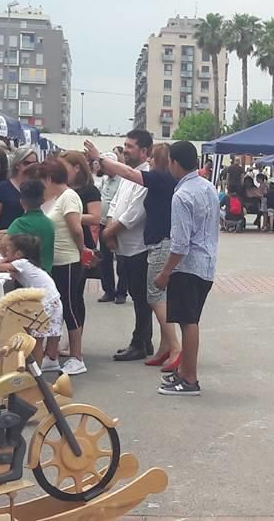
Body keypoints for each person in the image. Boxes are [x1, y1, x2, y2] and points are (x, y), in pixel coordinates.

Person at [98, 142, 182, 372]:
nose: (150, 162)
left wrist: (101, 158)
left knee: (154, 296)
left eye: (154, 157)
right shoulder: (164, 180)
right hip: (155, 242)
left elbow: (126, 176)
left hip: (159, 242)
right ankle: (165, 346)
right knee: (155, 295)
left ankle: (175, 347)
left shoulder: (159, 179)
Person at [154, 141, 219, 396]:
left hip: (188, 265)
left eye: (169, 161)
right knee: (188, 319)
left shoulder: (182, 195)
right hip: (206, 263)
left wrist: (165, 272)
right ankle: (183, 373)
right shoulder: (208, 187)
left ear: (175, 163)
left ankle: (190, 378)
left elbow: (180, 243)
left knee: (188, 321)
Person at [103, 130, 154, 361]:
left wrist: (109, 231)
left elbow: (134, 214)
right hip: (122, 245)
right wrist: (110, 231)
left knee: (141, 298)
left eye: (130, 146)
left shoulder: (146, 177)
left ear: (144, 151)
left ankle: (140, 342)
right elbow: (116, 204)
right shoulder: (127, 175)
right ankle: (144, 340)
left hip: (138, 247)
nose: (125, 150)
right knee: (136, 294)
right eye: (124, 145)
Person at [38, 159, 92, 375]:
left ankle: (77, 356)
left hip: (68, 260)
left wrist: (82, 251)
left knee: (70, 308)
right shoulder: (57, 198)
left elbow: (76, 229)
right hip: (57, 261)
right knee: (57, 309)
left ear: (50, 179)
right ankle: (51, 355)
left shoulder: (69, 197)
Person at [0, 234, 63, 365]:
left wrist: (4, 259)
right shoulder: (30, 264)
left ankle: (35, 369)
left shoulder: (21, 263)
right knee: (52, 331)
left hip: (44, 302)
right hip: (54, 299)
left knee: (36, 338)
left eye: (8, 250)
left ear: (18, 253)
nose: (5, 252)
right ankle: (52, 359)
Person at [93, 152, 128, 304]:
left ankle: (121, 292)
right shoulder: (105, 180)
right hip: (102, 223)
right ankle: (109, 290)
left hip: (116, 225)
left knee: (121, 260)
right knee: (104, 259)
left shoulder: (123, 181)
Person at [61, 151, 102, 273]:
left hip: (83, 240)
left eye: (64, 167)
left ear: (77, 168)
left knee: (77, 279)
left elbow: (95, 218)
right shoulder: (61, 188)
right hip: (63, 241)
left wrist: (72, 217)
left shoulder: (90, 190)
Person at [6, 179, 55, 272]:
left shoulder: (20, 223)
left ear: (21, 201)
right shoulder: (50, 223)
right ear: (43, 200)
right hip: (46, 272)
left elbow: (3, 244)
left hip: (25, 274)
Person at [0, 146, 37, 234]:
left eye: (34, 163)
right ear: (17, 165)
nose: (31, 166)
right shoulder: (3, 187)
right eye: (26, 163)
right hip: (5, 237)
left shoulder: (37, 187)